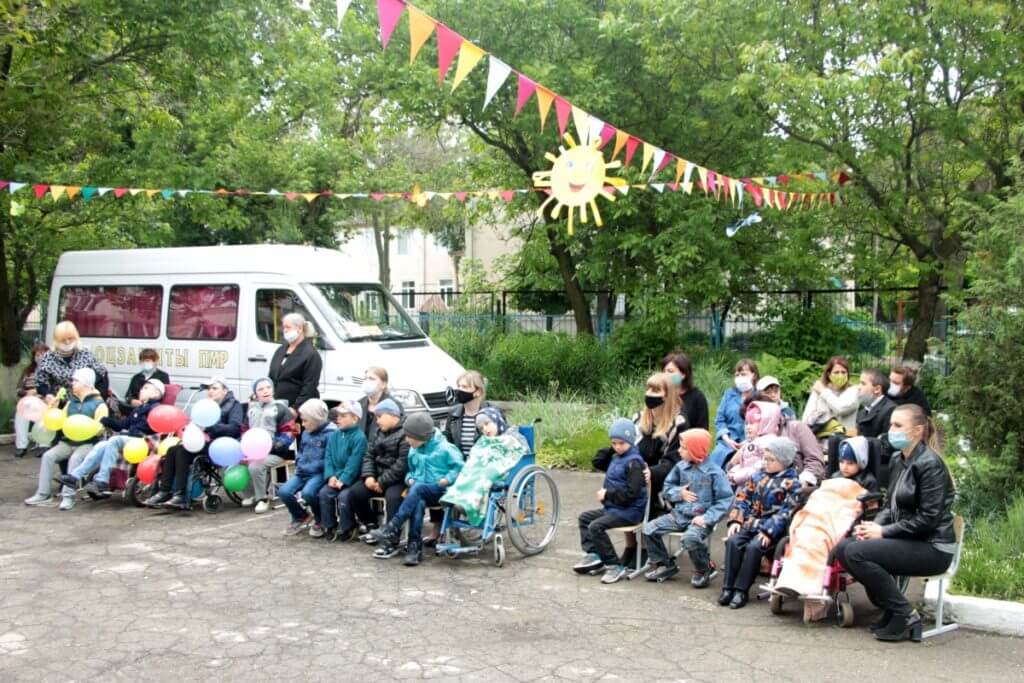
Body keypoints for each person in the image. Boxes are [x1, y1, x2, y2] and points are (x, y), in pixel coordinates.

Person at [833, 404, 956, 642]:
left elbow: (928, 519)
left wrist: (884, 532)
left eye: (898, 425)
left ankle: (904, 613)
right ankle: (892, 608)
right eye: (891, 424)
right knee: (843, 548)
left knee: (857, 554)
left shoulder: (930, 465)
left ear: (918, 431)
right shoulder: (900, 460)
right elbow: (890, 506)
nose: (891, 430)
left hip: (933, 547)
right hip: (909, 540)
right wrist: (872, 528)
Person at [774, 436, 880, 621]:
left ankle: (810, 590)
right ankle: (790, 582)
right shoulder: (834, 478)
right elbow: (823, 494)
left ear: (861, 462)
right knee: (802, 533)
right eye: (841, 461)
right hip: (821, 512)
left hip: (841, 517)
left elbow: (866, 506)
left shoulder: (868, 482)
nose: (844, 466)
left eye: (850, 463)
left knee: (820, 539)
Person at [368, 412, 464, 566]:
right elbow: (410, 471)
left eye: (409, 436)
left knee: (418, 490)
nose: (406, 440)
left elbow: (459, 467)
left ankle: (392, 527)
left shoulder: (446, 448)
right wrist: (409, 479)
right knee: (417, 502)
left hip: (439, 489)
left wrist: (448, 479)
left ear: (422, 436)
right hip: (419, 490)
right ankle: (414, 547)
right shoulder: (414, 449)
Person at [719, 435, 801, 609]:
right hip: (750, 523)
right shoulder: (757, 477)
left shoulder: (792, 484)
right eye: (765, 458)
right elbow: (742, 498)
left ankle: (741, 590)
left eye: (771, 460)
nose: (766, 462)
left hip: (773, 530)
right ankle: (728, 587)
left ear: (784, 461)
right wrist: (736, 519)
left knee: (754, 548)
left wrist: (768, 530)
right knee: (734, 541)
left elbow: (787, 512)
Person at [642, 429, 732, 586]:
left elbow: (725, 499)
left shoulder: (715, 473)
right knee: (648, 529)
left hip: (700, 519)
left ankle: (704, 568)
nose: (679, 450)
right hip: (679, 515)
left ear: (695, 450)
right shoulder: (680, 467)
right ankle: (665, 564)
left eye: (683, 448)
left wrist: (707, 518)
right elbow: (667, 488)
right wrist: (679, 493)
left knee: (690, 538)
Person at [57, 377, 165, 506]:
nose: (141, 390)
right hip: (130, 438)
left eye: (146, 388)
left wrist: (126, 432)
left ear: (156, 394)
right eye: (142, 388)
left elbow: (146, 427)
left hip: (143, 440)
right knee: (101, 445)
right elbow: (123, 424)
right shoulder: (139, 409)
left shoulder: (155, 409)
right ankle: (75, 476)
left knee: (114, 440)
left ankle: (103, 479)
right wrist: (107, 420)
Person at [144, 377, 243, 510]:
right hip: (202, 442)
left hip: (220, 445)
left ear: (225, 390)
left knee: (183, 452)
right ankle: (164, 491)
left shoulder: (234, 405)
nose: (210, 391)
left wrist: (210, 427)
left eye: (215, 388)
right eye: (209, 389)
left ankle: (180, 495)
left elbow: (235, 428)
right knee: (172, 450)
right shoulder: (205, 405)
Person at [573, 418, 648, 585]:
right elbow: (597, 461)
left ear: (630, 441)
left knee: (596, 526)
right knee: (584, 518)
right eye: (614, 443)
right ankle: (594, 555)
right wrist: (612, 448)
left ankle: (614, 565)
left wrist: (607, 495)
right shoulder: (616, 457)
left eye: (622, 443)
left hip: (630, 512)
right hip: (615, 509)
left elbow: (631, 494)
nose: (617, 446)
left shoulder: (634, 463)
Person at [24, 368, 109, 508]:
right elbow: (60, 420)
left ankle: (68, 496)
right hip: (68, 442)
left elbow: (101, 427)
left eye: (76, 380)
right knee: (48, 456)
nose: (72, 383)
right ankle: (43, 494)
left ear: (86, 383)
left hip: (88, 443)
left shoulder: (99, 404)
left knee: (75, 458)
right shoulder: (71, 402)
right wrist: (53, 407)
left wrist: (86, 428)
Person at [441, 407, 530, 526]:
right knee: (469, 470)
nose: (485, 429)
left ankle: (470, 504)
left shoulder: (513, 435)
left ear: (497, 420)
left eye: (487, 424)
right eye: (481, 428)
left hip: (506, 470)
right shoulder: (485, 440)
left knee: (485, 474)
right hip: (487, 466)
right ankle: (457, 498)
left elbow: (521, 451)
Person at [344, 399, 409, 543]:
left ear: (394, 416)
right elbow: (369, 456)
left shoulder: (406, 433)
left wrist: (382, 482)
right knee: (355, 492)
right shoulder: (378, 433)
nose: (377, 421)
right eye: (376, 417)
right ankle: (371, 524)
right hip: (377, 477)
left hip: (397, 480)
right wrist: (368, 476)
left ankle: (392, 536)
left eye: (380, 417)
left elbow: (402, 464)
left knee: (393, 498)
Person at [310, 401, 368, 540]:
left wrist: (343, 479)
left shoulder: (359, 438)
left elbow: (354, 463)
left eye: (343, 416)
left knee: (344, 496)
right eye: (338, 415)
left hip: (352, 479)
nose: (338, 418)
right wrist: (330, 476)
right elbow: (328, 457)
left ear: (355, 418)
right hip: (335, 477)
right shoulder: (334, 436)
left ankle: (348, 526)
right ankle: (329, 525)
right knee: (324, 493)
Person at [278, 399, 336, 535]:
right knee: (284, 491)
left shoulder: (331, 434)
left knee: (308, 493)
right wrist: (299, 461)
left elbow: (329, 459)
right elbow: (302, 450)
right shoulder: (306, 432)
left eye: (306, 421)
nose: (303, 424)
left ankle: (319, 519)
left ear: (317, 419)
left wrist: (312, 466)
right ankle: (300, 516)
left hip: (319, 473)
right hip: (303, 470)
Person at [241, 377, 296, 513]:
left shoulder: (281, 408)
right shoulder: (251, 410)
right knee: (239, 461)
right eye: (261, 389)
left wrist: (273, 446)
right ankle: (250, 494)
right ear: (255, 393)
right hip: (253, 450)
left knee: (256, 465)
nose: (265, 391)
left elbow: (289, 433)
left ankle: (262, 499)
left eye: (268, 387)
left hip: (276, 452)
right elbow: (244, 430)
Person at [34, 321, 108, 405]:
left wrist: (96, 398)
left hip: (84, 404)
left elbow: (102, 373)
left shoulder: (85, 354)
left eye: (70, 338)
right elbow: (40, 382)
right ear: (56, 340)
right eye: (63, 340)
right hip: (59, 404)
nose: (67, 342)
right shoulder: (49, 357)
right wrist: (47, 394)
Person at [267, 312, 323, 411]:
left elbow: (309, 386)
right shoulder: (281, 349)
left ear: (299, 329)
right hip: (277, 407)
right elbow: (271, 376)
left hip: (299, 410)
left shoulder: (311, 354)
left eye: (288, 327)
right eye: (283, 327)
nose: (284, 330)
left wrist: (295, 408)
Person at [709, 359, 759, 468]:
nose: (740, 377)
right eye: (737, 375)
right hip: (727, 442)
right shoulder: (729, 394)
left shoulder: (760, 396)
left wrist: (748, 441)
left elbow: (764, 423)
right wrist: (726, 438)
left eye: (743, 374)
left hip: (751, 442)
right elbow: (720, 419)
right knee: (713, 466)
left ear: (753, 375)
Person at [802, 356, 859, 441]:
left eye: (843, 372)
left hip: (844, 441)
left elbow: (841, 408)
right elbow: (806, 419)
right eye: (836, 372)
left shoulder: (854, 392)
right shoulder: (818, 392)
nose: (840, 375)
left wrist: (823, 391)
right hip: (819, 440)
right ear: (829, 374)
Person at [727, 400, 783, 488]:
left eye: (752, 423)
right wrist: (735, 470)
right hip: (747, 484)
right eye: (747, 423)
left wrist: (739, 476)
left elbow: (762, 464)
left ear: (766, 423)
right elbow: (745, 462)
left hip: (759, 486)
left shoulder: (768, 441)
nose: (748, 427)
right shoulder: (753, 441)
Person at [443, 370, 494, 457]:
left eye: (465, 387)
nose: (459, 390)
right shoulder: (453, 413)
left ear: (478, 392)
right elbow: (448, 444)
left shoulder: (492, 413)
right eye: (459, 386)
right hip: (460, 467)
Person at [14, 342, 49, 457]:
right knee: (20, 414)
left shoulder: (52, 370)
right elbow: (18, 389)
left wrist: (37, 392)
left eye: (43, 353)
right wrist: (26, 393)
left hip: (44, 400)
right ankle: (21, 446)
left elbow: (55, 388)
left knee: (44, 414)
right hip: (28, 401)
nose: (39, 356)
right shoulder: (28, 371)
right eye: (37, 354)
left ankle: (44, 445)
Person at [661, 350, 710, 430]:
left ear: (683, 374)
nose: (666, 375)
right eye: (664, 371)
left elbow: (702, 430)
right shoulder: (660, 395)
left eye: (670, 371)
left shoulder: (697, 397)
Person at [121, 349, 171, 414]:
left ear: (155, 361)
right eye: (143, 361)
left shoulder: (163, 376)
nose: (146, 363)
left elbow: (165, 397)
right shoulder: (136, 377)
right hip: (137, 410)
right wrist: (132, 401)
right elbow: (128, 396)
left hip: (154, 411)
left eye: (148, 361)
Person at [856, 369, 898, 439]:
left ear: (877, 389)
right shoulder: (863, 411)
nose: (858, 387)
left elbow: (886, 443)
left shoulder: (890, 410)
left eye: (863, 384)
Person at [358, 366, 395, 443]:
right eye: (365, 378)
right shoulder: (359, 404)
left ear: (383, 384)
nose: (367, 381)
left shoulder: (393, 406)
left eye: (372, 379)